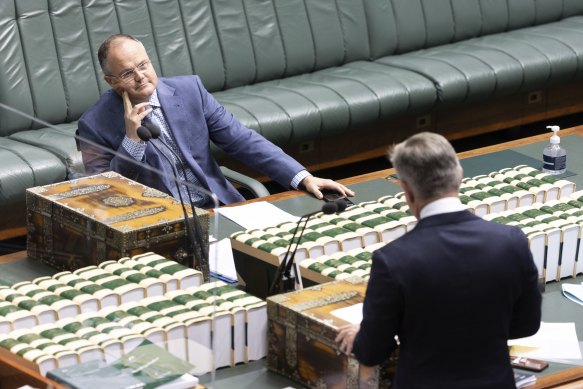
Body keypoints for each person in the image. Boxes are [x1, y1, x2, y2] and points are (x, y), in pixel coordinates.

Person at [335, 132, 541, 389]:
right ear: (460, 175)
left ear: (406, 190)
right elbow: (527, 325)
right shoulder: (512, 242)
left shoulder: (393, 260)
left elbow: (372, 352)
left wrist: (364, 334)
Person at [78, 34, 354, 207]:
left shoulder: (189, 91)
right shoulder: (94, 124)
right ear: (111, 82)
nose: (140, 76)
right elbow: (105, 194)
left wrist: (304, 178)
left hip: (220, 206)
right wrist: (132, 140)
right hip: (162, 220)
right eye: (127, 73)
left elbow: (241, 139)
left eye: (143, 65)